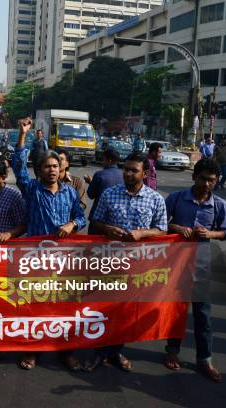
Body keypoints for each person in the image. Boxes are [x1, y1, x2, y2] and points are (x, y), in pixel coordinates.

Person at [12, 118, 86, 372]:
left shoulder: (70, 193)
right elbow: (18, 165)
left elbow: (82, 217)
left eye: (56, 166)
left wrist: (72, 225)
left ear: (61, 169)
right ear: (40, 170)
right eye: (47, 166)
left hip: (64, 259)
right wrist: (23, 136)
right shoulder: (31, 189)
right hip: (36, 258)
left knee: (65, 307)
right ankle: (34, 350)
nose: (52, 170)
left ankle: (66, 352)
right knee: (37, 305)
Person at [86, 152, 168, 373]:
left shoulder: (155, 199)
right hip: (108, 261)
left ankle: (113, 352)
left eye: (134, 170)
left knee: (125, 312)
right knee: (104, 308)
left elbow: (162, 230)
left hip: (137, 265)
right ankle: (100, 352)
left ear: (145, 173)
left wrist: (143, 233)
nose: (128, 174)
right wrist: (107, 228)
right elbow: (95, 219)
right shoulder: (109, 194)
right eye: (126, 169)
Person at [163, 158, 226, 383]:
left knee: (203, 314)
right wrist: (178, 228)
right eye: (203, 179)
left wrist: (209, 234)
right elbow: (161, 224)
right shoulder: (176, 198)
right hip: (175, 263)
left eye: (212, 180)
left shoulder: (220, 205)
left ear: (217, 181)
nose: (207, 184)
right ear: (194, 177)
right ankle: (172, 350)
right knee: (175, 310)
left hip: (202, 264)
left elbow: (224, 232)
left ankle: (205, 359)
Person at [84, 148, 123, 234]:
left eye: (103, 159)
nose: (102, 162)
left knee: (93, 245)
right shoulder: (123, 175)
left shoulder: (100, 174)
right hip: (116, 219)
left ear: (109, 160)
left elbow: (90, 195)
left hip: (98, 219)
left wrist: (91, 183)